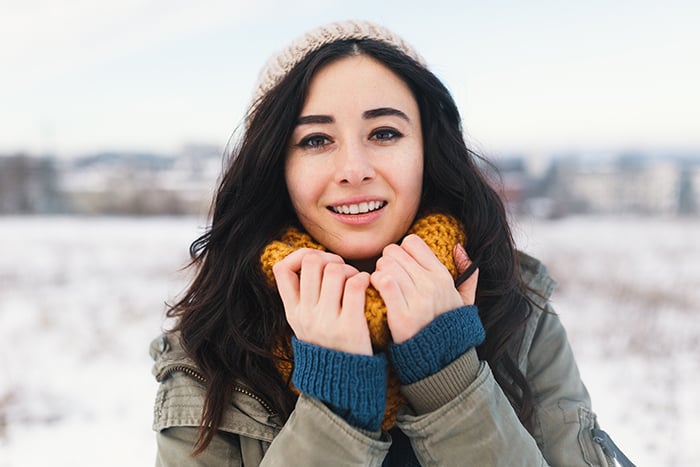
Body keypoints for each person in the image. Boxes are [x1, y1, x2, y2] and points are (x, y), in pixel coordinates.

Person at [150, 20, 634, 466]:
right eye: (316, 140)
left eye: (384, 132)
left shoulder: (517, 306)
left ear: (428, 149)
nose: (355, 169)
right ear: (276, 164)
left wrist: (450, 377)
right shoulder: (212, 345)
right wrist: (336, 391)